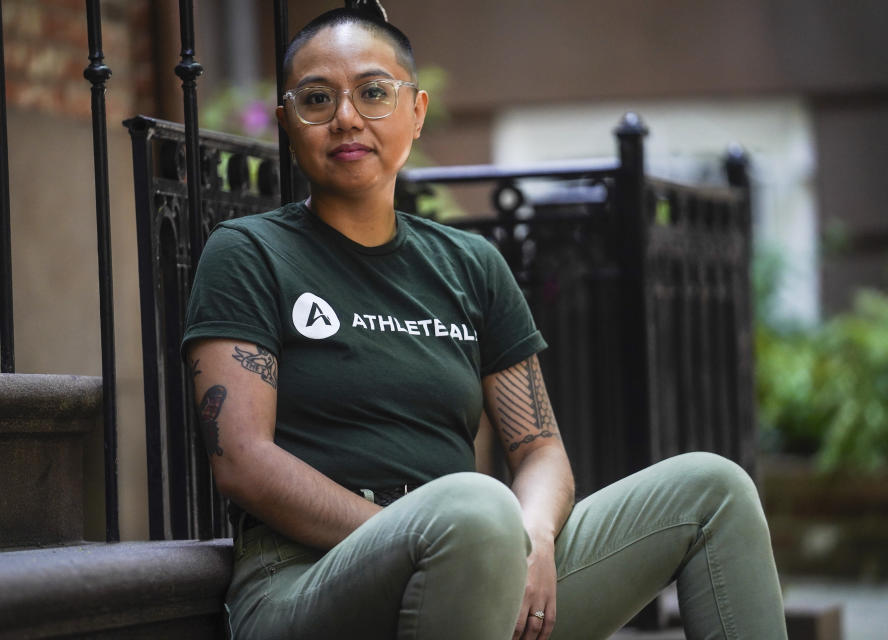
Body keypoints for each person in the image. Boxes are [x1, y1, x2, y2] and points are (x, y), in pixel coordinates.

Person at [182, 7, 788, 639]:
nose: (346, 118)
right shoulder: (249, 252)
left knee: (713, 491)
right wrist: (423, 538)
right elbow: (243, 459)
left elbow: (541, 451)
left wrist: (531, 544)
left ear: (415, 111)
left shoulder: (470, 265)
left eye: (372, 92)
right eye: (316, 98)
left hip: (481, 555)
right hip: (303, 579)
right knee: (473, 506)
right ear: (285, 123)